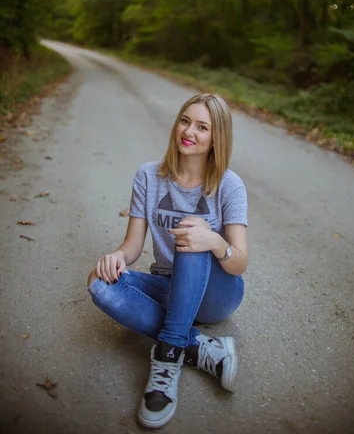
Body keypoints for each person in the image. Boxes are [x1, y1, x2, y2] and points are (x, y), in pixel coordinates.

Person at [87, 93, 248, 429]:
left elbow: (239, 263)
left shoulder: (230, 186)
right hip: (170, 286)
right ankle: (201, 348)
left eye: (203, 127)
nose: (189, 131)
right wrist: (117, 257)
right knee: (100, 284)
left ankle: (168, 355)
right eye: (185, 121)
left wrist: (214, 241)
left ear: (217, 138)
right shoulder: (148, 176)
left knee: (193, 230)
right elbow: (132, 246)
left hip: (216, 293)